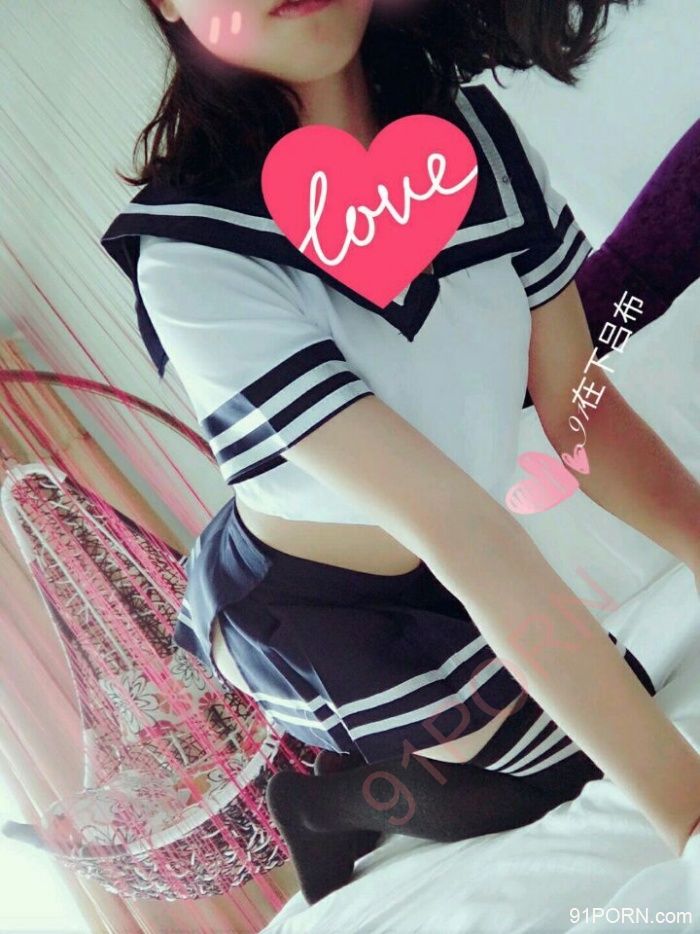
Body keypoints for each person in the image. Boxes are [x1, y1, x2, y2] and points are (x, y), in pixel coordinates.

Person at [100, 0, 700, 906]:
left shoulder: (476, 143)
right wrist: (689, 818)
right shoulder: (194, 254)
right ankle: (323, 805)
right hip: (314, 604)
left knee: (618, 694)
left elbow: (581, 411)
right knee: (559, 769)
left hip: (451, 552)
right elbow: (457, 525)